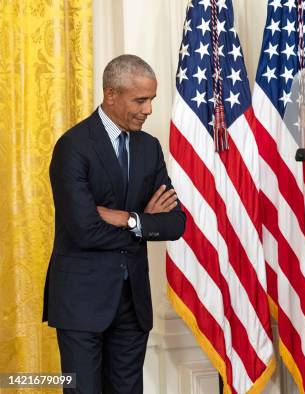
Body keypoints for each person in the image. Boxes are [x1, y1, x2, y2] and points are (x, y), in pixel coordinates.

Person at [43, 54, 186, 393]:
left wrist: (126, 218)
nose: (148, 109)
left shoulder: (149, 148)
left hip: (132, 304)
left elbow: (175, 224)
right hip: (81, 304)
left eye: (151, 99)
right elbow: (84, 230)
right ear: (111, 95)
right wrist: (144, 224)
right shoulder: (73, 147)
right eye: (141, 99)